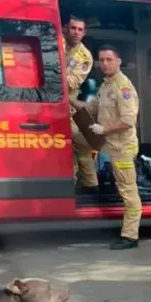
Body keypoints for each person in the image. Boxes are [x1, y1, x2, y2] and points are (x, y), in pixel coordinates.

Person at [90, 45, 142, 250]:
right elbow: (92, 107)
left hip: (122, 149)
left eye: (109, 59)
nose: (104, 63)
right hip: (110, 148)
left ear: (118, 61)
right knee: (121, 189)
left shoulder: (123, 87)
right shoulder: (106, 86)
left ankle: (130, 236)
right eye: (101, 60)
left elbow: (128, 120)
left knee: (129, 192)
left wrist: (103, 129)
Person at [64, 15, 97, 193]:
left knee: (81, 144)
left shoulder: (85, 57)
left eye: (79, 29)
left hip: (67, 105)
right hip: (45, 101)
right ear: (65, 28)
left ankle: (90, 187)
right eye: (73, 28)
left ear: (84, 33)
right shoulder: (55, 42)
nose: (76, 32)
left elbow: (71, 82)